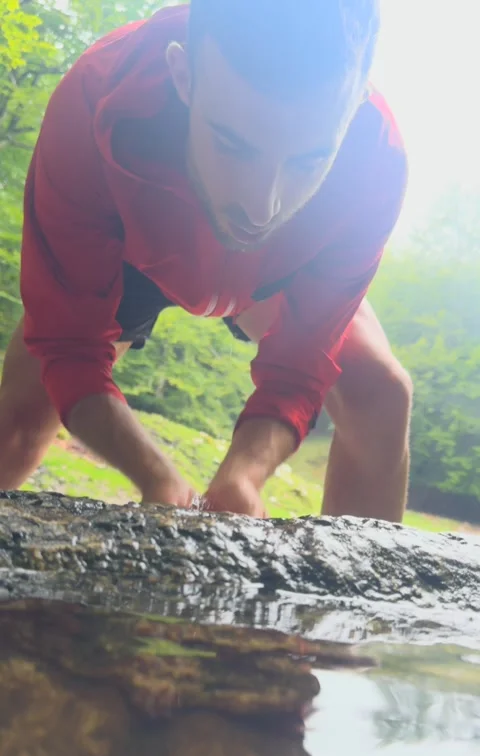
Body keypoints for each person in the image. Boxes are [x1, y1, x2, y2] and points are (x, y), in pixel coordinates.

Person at [0, 0, 411, 520]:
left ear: (353, 110)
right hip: (131, 252)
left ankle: (350, 603)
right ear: (183, 75)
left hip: (279, 271)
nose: (261, 206)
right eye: (233, 144)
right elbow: (67, 343)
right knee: (19, 412)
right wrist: (153, 473)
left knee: (382, 395)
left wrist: (244, 475)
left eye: (309, 159)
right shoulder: (95, 95)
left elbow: (301, 370)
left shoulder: (375, 162)